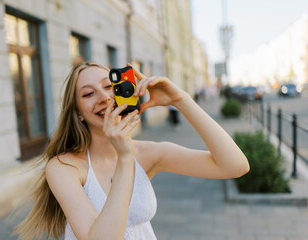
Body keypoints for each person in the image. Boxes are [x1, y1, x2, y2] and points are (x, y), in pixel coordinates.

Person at [14, 61, 250, 240]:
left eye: (109, 86)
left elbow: (235, 166)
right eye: (88, 93)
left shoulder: (149, 154)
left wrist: (181, 100)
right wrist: (125, 157)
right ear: (77, 112)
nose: (105, 97)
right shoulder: (63, 166)